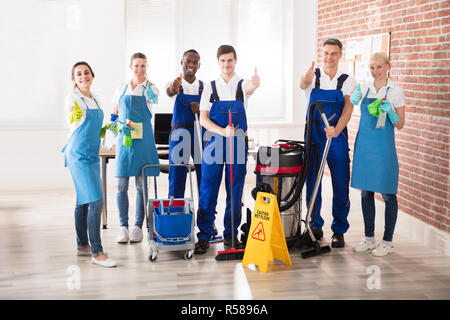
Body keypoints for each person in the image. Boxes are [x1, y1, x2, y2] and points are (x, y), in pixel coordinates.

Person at [194, 45, 260, 254]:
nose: (226, 64)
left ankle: (231, 235)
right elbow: (203, 119)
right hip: (214, 141)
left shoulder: (242, 85)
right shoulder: (209, 87)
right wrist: (223, 131)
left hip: (238, 141)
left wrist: (255, 85)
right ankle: (204, 236)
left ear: (235, 61)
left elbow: (250, 88)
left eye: (230, 60)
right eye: (222, 60)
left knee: (235, 188)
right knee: (208, 188)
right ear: (218, 62)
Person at [299, 38, 357, 248]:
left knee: (340, 182)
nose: (329, 57)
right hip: (314, 135)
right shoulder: (313, 76)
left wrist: (337, 129)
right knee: (313, 181)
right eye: (326, 53)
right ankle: (314, 225)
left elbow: (349, 108)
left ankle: (339, 230)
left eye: (333, 53)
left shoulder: (348, 80)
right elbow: (302, 84)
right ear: (321, 54)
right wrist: (304, 79)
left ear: (340, 55)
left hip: (336, 134)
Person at [350, 52, 405, 257]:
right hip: (364, 146)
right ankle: (369, 238)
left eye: (379, 67)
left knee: (388, 193)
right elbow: (351, 104)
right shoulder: (364, 89)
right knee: (366, 193)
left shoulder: (396, 92)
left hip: (383, 149)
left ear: (388, 66)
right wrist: (352, 99)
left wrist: (390, 111)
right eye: (372, 67)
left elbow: (400, 124)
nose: (375, 71)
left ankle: (387, 241)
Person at [62, 61, 116, 267]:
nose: (83, 76)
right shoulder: (73, 97)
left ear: (92, 75)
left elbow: (96, 126)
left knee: (83, 200)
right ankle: (97, 252)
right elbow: (72, 119)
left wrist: (106, 135)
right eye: (78, 74)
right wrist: (71, 116)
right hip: (78, 154)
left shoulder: (96, 99)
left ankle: (83, 245)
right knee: (96, 200)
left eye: (86, 72)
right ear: (74, 79)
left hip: (92, 152)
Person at [111, 52, 160, 244]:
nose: (140, 69)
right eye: (137, 66)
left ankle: (138, 227)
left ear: (147, 67)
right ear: (131, 67)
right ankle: (123, 227)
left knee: (141, 186)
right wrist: (115, 132)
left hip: (143, 141)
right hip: (126, 141)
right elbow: (114, 114)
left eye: (143, 66)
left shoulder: (152, 89)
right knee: (121, 186)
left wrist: (146, 86)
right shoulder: (120, 89)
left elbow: (153, 100)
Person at [166, 49, 204, 199]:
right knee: (177, 175)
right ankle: (176, 215)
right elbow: (170, 91)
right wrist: (174, 87)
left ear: (199, 65)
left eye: (195, 62)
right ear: (182, 62)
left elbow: (210, 111)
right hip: (179, 133)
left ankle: (205, 218)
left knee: (204, 175)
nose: (191, 65)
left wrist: (200, 109)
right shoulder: (175, 83)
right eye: (188, 61)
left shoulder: (205, 87)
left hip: (200, 133)